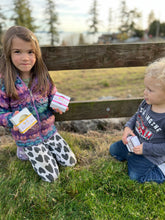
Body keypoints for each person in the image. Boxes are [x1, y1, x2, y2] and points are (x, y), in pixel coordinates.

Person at [0, 26, 77, 182]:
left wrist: (56, 103)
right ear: (8, 53)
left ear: (36, 53)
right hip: (27, 136)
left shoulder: (42, 75)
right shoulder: (4, 82)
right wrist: (10, 118)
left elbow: (52, 94)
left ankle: (45, 147)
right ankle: (24, 150)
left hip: (49, 131)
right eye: (17, 52)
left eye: (30, 52)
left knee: (70, 162)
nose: (25, 58)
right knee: (52, 176)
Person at [109, 58, 165, 184]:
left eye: (150, 90)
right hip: (134, 143)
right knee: (113, 150)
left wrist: (146, 149)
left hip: (151, 154)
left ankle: (162, 170)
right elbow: (137, 115)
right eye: (145, 88)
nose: (145, 92)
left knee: (135, 177)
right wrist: (128, 128)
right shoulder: (147, 102)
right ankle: (132, 157)